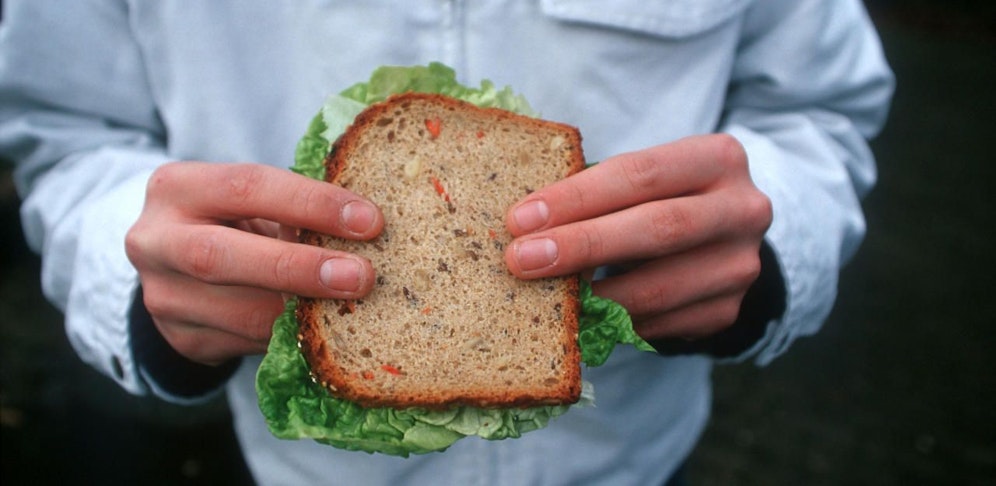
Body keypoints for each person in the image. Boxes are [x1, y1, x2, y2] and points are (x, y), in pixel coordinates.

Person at [0, 1, 893, 484]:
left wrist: (774, 247)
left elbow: (817, 107)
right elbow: (67, 127)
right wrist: (142, 275)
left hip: (633, 460)